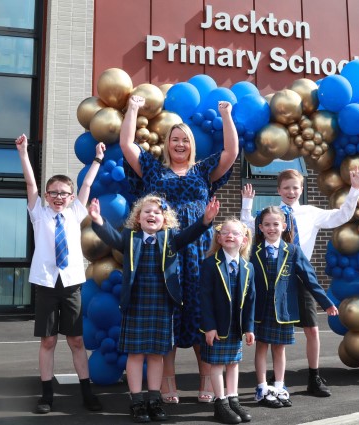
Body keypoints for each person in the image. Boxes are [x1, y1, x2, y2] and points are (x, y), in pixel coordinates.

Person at [120, 95, 239, 403]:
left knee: (202, 313)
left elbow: (231, 151)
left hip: (200, 247)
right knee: (168, 314)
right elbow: (127, 146)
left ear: (191, 144)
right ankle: (167, 384)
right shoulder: (154, 171)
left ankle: (206, 382)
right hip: (166, 250)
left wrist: (226, 115)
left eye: (185, 140)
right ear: (167, 143)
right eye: (174, 139)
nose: (180, 144)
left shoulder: (203, 171)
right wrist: (133, 108)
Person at [89, 194, 220, 423]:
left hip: (161, 306)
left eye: (157, 212)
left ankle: (154, 399)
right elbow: (111, 237)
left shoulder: (170, 239)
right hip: (136, 305)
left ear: (165, 219)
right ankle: (137, 401)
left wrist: (206, 220)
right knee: (136, 354)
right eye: (147, 212)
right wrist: (99, 220)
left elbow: (191, 234)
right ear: (138, 218)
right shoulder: (130, 238)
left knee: (157, 355)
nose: (152, 215)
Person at [241, 166, 359, 397]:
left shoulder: (312, 212)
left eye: (295, 187)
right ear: (279, 190)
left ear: (302, 189)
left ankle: (314, 376)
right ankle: (276, 379)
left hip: (301, 276)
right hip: (277, 278)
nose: (291, 192)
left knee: (312, 330)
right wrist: (247, 203)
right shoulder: (271, 216)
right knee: (272, 331)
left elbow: (342, 215)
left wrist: (355, 189)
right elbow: (247, 226)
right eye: (286, 187)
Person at [15, 133, 104, 414]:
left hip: (72, 284)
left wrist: (98, 159)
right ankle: (46, 395)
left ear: (69, 196)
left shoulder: (76, 212)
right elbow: (30, 183)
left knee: (76, 340)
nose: (57, 197)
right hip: (46, 284)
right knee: (48, 340)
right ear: (47, 195)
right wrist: (23, 152)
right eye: (52, 192)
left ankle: (87, 393)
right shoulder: (39, 214)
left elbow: (88, 182)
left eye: (63, 193)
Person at [250, 206, 339, 408]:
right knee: (261, 348)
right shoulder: (252, 252)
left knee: (280, 349)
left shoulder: (293, 251)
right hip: (260, 309)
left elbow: (310, 279)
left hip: (283, 310)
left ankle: (279, 387)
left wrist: (326, 303)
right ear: (261, 227)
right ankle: (262, 388)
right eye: (267, 224)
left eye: (275, 224)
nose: (271, 228)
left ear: (283, 226)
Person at [199, 219, 256, 424]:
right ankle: (220, 402)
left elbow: (251, 299)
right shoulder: (209, 264)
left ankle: (233, 399)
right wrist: (209, 326)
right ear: (219, 238)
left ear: (244, 239)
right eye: (226, 232)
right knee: (217, 364)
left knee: (233, 363)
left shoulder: (248, 267)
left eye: (236, 233)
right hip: (217, 325)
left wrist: (249, 327)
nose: (230, 236)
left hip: (235, 326)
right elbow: (204, 298)